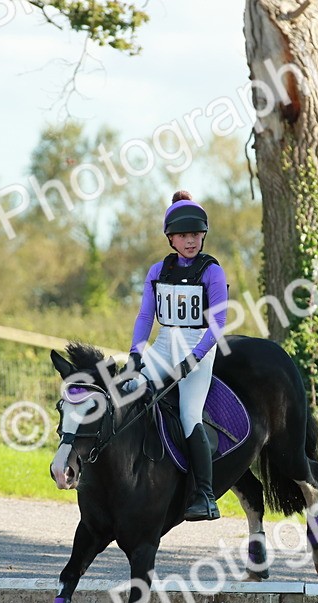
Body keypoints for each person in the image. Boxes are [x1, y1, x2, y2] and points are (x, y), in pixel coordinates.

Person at [124, 190, 228, 521]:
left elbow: (219, 323)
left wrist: (195, 357)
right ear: (171, 238)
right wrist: (136, 354)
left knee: (188, 415)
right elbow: (145, 317)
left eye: (196, 234)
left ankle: (205, 495)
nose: (191, 241)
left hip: (199, 345)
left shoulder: (212, 271)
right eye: (183, 235)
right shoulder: (159, 270)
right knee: (128, 392)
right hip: (166, 343)